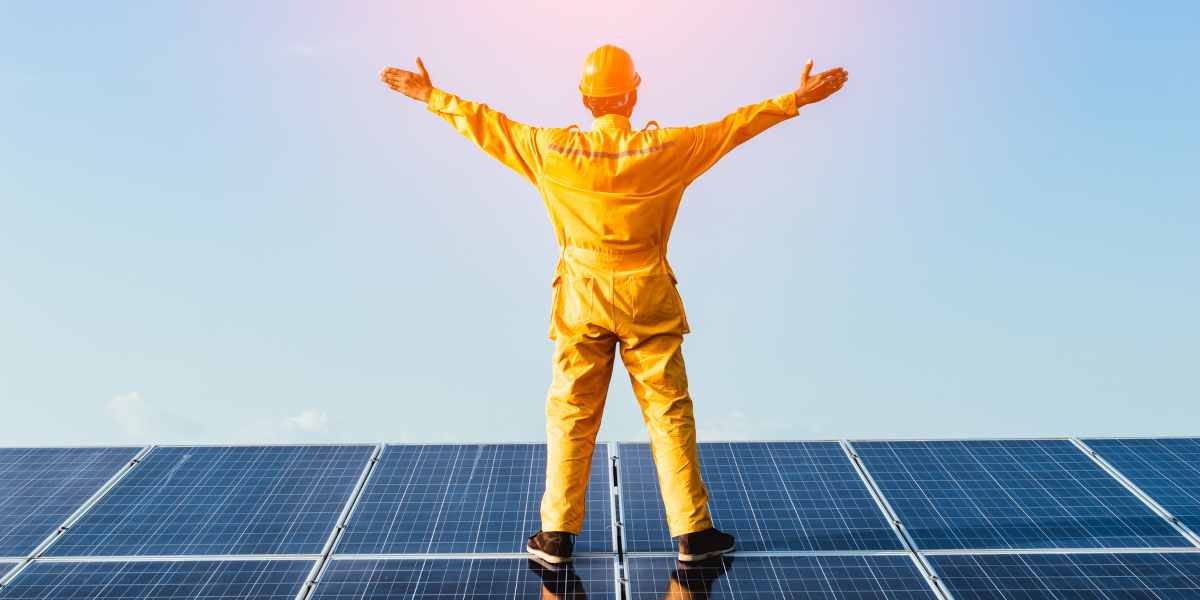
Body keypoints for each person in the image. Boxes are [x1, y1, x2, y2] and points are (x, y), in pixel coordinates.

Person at [379, 44, 848, 565]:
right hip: (648, 293)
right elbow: (734, 127)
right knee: (669, 413)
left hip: (581, 296)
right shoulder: (670, 148)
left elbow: (487, 124)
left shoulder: (549, 149)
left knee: (572, 413)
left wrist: (430, 95)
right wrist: (795, 98)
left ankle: (555, 535)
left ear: (585, 97)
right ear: (634, 92)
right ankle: (693, 532)